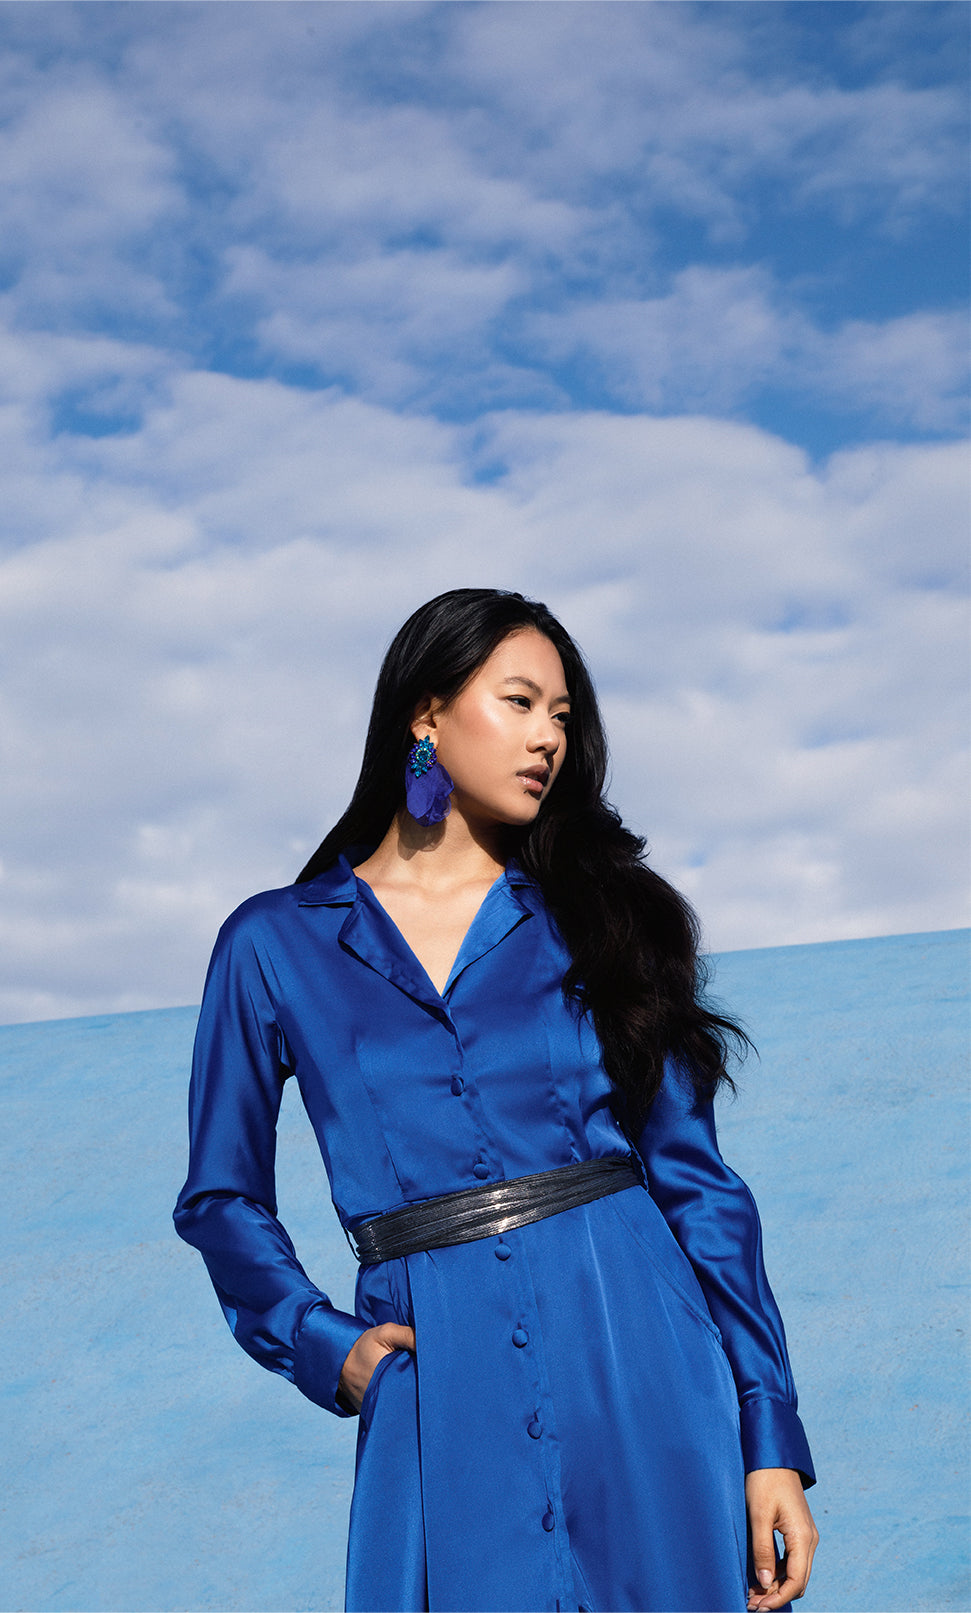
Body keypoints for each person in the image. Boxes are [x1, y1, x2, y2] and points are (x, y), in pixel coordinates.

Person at [174, 588, 818, 1613]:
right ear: (425, 715)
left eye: (562, 716)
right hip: (437, 1373)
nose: (547, 738)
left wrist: (767, 1437)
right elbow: (220, 1196)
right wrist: (321, 1341)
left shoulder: (609, 921)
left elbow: (700, 1188)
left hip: (636, 1345)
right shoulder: (272, 942)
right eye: (520, 702)